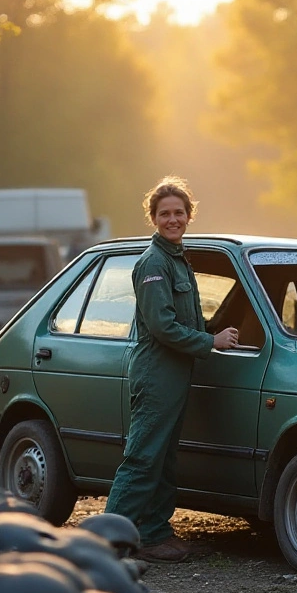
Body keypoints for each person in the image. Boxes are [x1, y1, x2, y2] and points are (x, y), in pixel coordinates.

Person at [105, 176, 239, 563]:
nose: (172, 219)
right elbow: (162, 326)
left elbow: (188, 317)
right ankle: (103, 542)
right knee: (143, 457)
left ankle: (154, 533)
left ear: (189, 215)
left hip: (176, 374)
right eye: (164, 213)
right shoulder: (153, 263)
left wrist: (213, 331)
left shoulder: (178, 258)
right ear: (153, 218)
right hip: (156, 373)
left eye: (179, 212)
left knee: (163, 458)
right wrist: (209, 342)